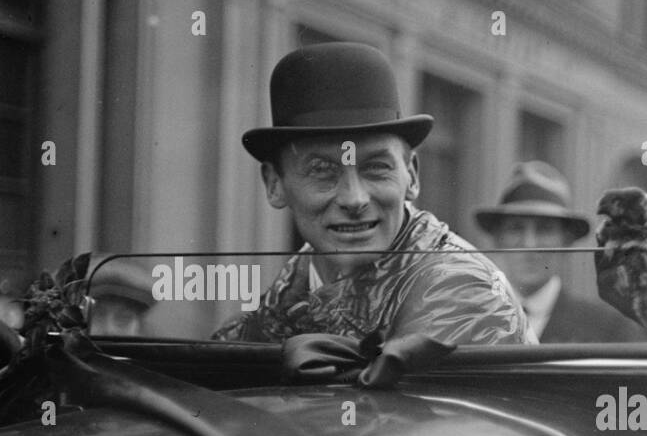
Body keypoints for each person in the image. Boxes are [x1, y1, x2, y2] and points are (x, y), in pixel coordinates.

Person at [215, 42, 531, 345]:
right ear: (274, 185)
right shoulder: (304, 274)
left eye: (375, 167)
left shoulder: (464, 291)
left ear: (412, 175)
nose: (354, 199)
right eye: (322, 170)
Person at [475, 162, 644, 343]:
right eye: (516, 228)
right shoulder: (470, 322)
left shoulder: (611, 330)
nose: (530, 244)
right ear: (498, 239)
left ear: (567, 241)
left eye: (544, 229)